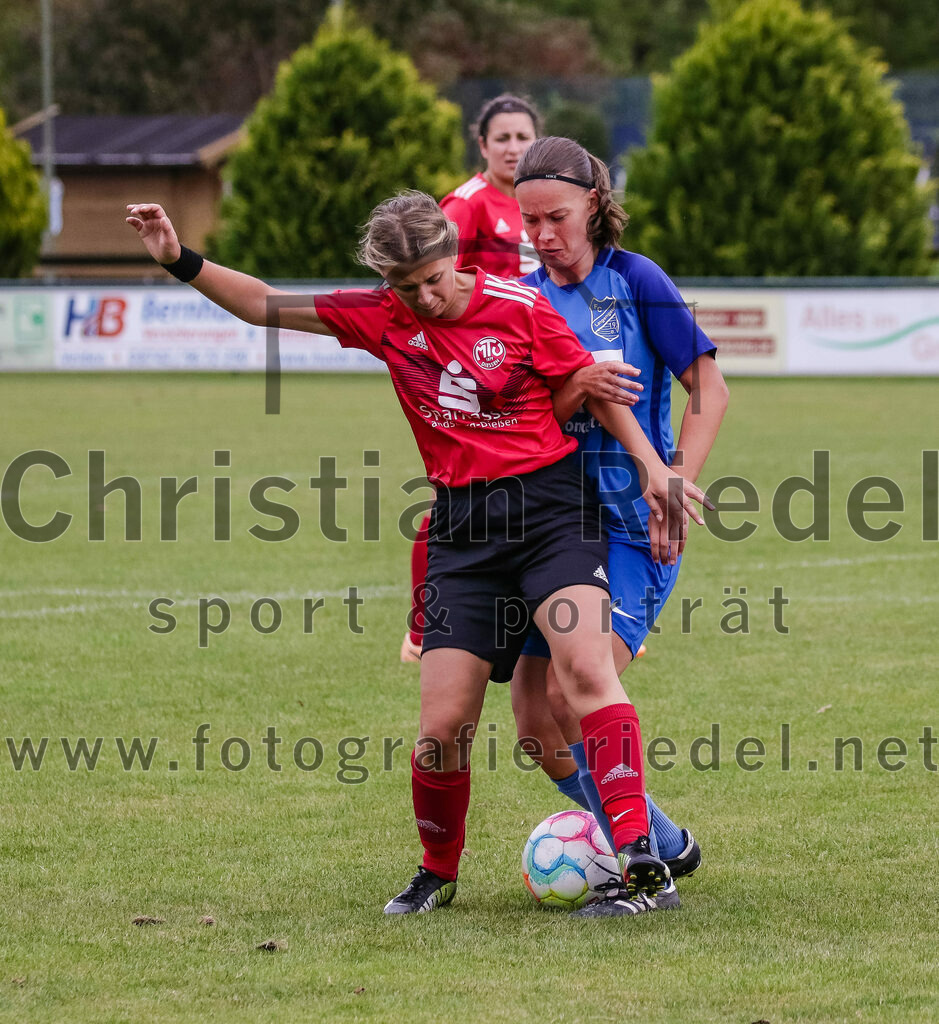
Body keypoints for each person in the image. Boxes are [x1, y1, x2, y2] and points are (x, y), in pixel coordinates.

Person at [126, 191, 709, 917]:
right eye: (407, 287)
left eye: (434, 279)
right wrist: (177, 258)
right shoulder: (381, 315)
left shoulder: (520, 307)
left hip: (553, 517)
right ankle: (437, 872)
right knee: (441, 729)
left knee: (585, 673)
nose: (426, 298)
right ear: (387, 283)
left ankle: (642, 860)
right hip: (463, 535)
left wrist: (654, 467)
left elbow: (591, 393)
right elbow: (263, 304)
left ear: (452, 256)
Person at [508, 137, 730, 917]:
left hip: (635, 527)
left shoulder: (636, 281)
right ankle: (664, 840)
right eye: (529, 221)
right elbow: (532, 413)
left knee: (576, 689)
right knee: (535, 723)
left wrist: (675, 479)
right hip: (553, 527)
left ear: (594, 205)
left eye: (556, 217)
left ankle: (644, 876)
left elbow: (708, 386)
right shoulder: (524, 298)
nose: (543, 235)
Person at [401, 94, 541, 665]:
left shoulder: (542, 203)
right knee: (455, 499)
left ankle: (586, 613)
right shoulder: (466, 204)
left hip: (535, 362)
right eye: (501, 138)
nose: (513, 148)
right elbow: (429, 280)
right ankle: (422, 628)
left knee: (564, 487)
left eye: (523, 137)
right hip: (480, 373)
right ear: (481, 145)